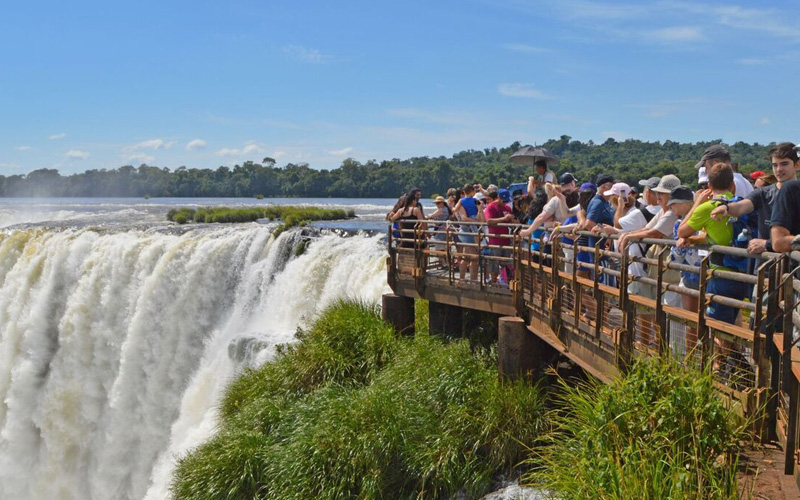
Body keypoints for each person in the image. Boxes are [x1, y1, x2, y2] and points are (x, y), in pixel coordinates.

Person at [678, 163, 748, 324]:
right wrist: (694, 239)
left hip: (720, 275)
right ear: (732, 185)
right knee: (734, 324)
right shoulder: (741, 205)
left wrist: (697, 203)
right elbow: (710, 236)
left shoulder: (707, 208)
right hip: (744, 274)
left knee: (717, 326)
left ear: (709, 186)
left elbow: (681, 231)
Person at [711, 142, 800, 254]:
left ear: (797, 165)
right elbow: (742, 206)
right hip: (767, 261)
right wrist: (726, 208)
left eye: (784, 164)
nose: (779, 169)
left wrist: (767, 244)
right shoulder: (763, 193)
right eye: (775, 165)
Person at [484, 186, 514, 284]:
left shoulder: (507, 208)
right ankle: (494, 282)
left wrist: (513, 220)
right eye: (503, 201)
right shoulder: (491, 207)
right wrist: (504, 219)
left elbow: (510, 222)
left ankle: (505, 282)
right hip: (495, 241)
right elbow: (489, 221)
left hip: (506, 240)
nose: (505, 203)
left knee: (507, 265)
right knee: (494, 265)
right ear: (498, 198)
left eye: (506, 201)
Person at [454, 184, 483, 281]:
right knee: (474, 257)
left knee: (465, 256)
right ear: (472, 192)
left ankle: (461, 278)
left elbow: (455, 209)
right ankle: (473, 280)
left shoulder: (461, 201)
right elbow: (480, 210)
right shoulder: (475, 200)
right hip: (470, 229)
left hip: (463, 230)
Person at [427, 196, 451, 268]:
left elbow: (430, 216)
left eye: (438, 203)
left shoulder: (441, 210)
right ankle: (447, 264)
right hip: (444, 230)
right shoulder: (447, 209)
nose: (437, 205)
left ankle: (444, 264)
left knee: (438, 249)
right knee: (444, 248)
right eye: (436, 203)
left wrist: (430, 216)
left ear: (442, 203)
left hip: (440, 231)